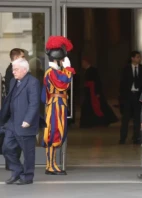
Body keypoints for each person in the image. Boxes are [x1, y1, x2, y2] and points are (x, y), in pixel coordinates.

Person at [1, 58, 40, 185]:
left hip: (25, 123)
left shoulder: (32, 82)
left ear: (24, 69)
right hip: (12, 122)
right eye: (13, 69)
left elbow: (34, 104)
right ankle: (17, 171)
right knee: (6, 147)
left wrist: (28, 120)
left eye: (16, 69)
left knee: (28, 152)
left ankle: (27, 176)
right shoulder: (13, 81)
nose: (13, 72)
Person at [41, 36, 75, 175]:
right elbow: (64, 83)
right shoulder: (51, 73)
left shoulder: (54, 72)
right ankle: (50, 165)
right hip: (55, 106)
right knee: (53, 134)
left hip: (58, 105)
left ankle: (52, 164)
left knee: (57, 133)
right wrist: (68, 68)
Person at [119, 51, 142, 144]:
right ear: (132, 58)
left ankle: (136, 137)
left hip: (138, 96)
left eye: (139, 57)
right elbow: (122, 84)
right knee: (126, 118)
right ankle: (123, 138)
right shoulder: (126, 68)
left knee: (137, 118)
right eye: (137, 57)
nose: (139, 59)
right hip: (128, 96)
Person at [80, 56, 118, 128]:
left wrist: (97, 92)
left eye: (83, 62)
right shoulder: (86, 71)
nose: (82, 64)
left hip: (93, 92)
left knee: (100, 106)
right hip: (89, 93)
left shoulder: (93, 70)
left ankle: (103, 121)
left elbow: (97, 82)